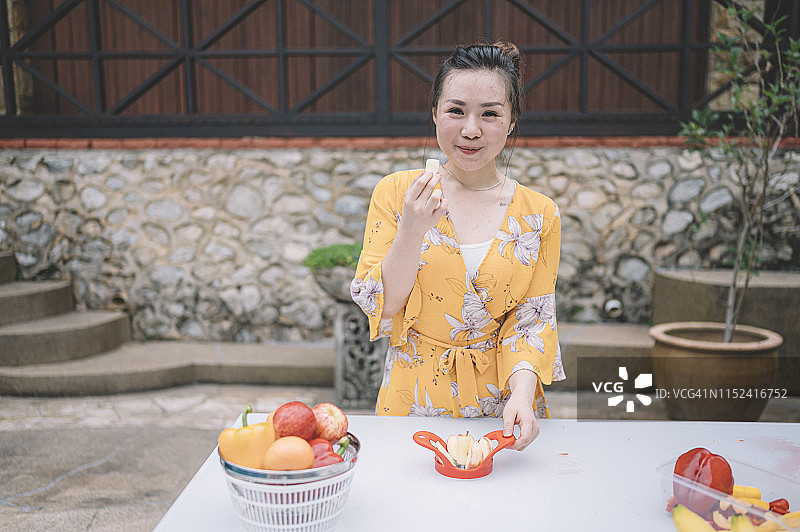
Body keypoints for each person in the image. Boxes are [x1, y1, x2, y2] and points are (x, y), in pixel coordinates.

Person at [350, 41, 564, 451]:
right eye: (456, 110)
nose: (471, 129)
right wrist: (412, 229)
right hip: (413, 401)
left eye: (490, 113)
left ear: (512, 121)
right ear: (434, 113)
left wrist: (522, 395)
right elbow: (384, 305)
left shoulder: (539, 214)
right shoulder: (398, 194)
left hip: (502, 406)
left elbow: (532, 319)